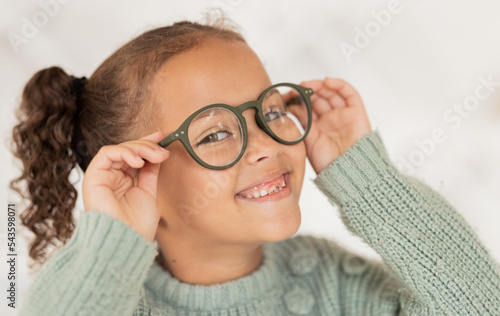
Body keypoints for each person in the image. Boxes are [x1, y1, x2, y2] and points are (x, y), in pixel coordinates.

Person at [10, 17, 500, 316]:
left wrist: (370, 183)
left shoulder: (333, 283)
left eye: (268, 112)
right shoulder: (113, 300)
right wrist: (109, 242)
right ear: (138, 173)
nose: (266, 145)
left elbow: (479, 306)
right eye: (216, 133)